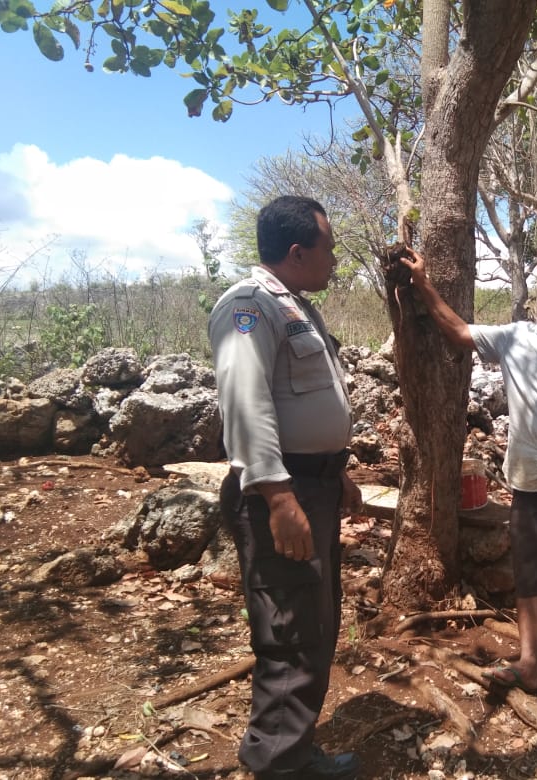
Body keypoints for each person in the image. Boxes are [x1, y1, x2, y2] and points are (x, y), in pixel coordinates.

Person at [399, 249, 537, 693]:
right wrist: (423, 285)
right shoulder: (517, 338)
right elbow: (461, 331)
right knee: (530, 568)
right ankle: (528, 660)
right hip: (530, 477)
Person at [209, 195, 363, 779]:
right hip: (283, 493)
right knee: (291, 632)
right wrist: (277, 496)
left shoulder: (294, 306)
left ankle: (291, 750)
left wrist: (335, 471)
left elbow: (298, 401)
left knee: (315, 622)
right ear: (297, 252)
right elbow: (246, 404)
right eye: (328, 247)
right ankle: (278, 764)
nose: (333, 258)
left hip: (311, 486)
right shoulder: (248, 307)